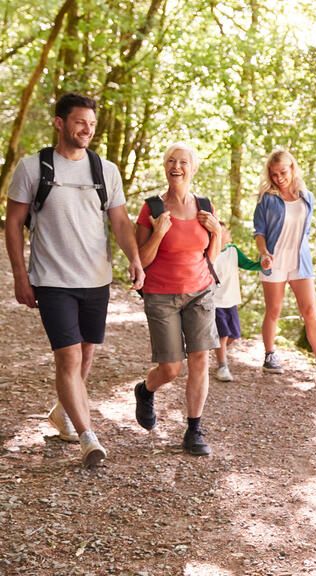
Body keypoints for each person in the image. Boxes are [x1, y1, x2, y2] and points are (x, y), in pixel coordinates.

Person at [5, 92, 144, 467]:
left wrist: (134, 258)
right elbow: (14, 222)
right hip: (52, 279)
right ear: (60, 123)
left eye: (92, 124)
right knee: (67, 357)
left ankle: (62, 411)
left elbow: (119, 221)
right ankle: (88, 437)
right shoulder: (33, 168)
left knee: (85, 356)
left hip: (95, 279)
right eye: (81, 122)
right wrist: (21, 274)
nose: (88, 129)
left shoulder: (105, 170)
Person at [133, 142, 221, 456]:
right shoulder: (152, 208)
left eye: (183, 161)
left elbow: (211, 256)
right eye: (171, 161)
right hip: (161, 294)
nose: (177, 166)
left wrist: (218, 235)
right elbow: (140, 261)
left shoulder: (205, 206)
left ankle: (194, 429)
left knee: (200, 359)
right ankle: (145, 391)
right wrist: (158, 232)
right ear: (165, 167)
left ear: (192, 168)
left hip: (200, 291)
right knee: (170, 368)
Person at [252, 148, 316, 379]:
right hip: (273, 261)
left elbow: (305, 231)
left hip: (300, 261)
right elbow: (259, 232)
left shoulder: (306, 197)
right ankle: (270, 355)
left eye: (282, 172)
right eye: (274, 174)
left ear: (292, 168)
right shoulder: (267, 199)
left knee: (310, 310)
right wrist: (263, 253)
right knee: (274, 310)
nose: (278, 178)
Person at [212, 221, 261, 382]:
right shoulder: (209, 254)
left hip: (231, 300)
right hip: (215, 301)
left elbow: (247, 264)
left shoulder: (233, 251)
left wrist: (262, 264)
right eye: (225, 231)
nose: (228, 233)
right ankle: (222, 366)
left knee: (233, 335)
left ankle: (215, 352)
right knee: (223, 335)